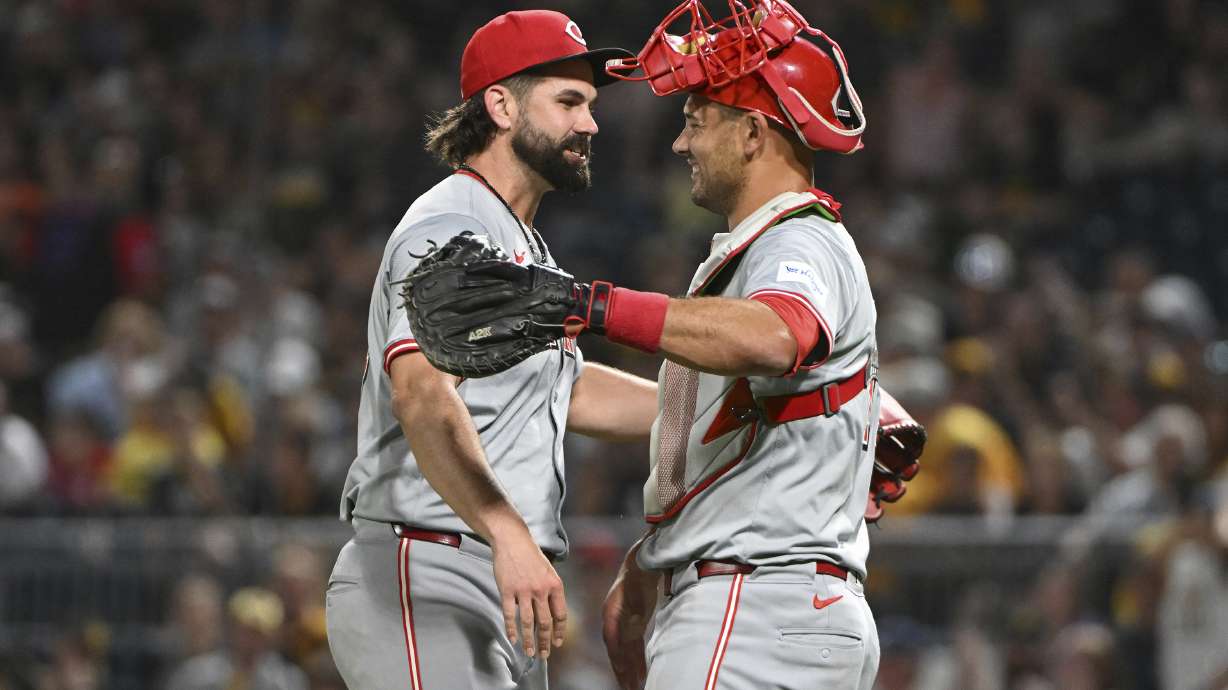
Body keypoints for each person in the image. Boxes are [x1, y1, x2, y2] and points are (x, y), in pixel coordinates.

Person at [324, 10, 657, 690]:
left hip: (489, 576)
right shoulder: (454, 221)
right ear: (501, 104)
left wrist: (728, 408)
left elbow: (571, 389)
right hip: (429, 566)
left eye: (590, 106)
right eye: (568, 101)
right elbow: (421, 392)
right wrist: (507, 532)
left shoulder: (525, 246)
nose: (590, 124)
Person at [555, 1, 879, 687]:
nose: (682, 144)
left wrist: (596, 307)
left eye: (697, 122)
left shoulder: (796, 239)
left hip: (753, 608)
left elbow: (776, 334)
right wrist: (649, 568)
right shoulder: (781, 247)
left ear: (753, 133)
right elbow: (722, 405)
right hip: (786, 605)